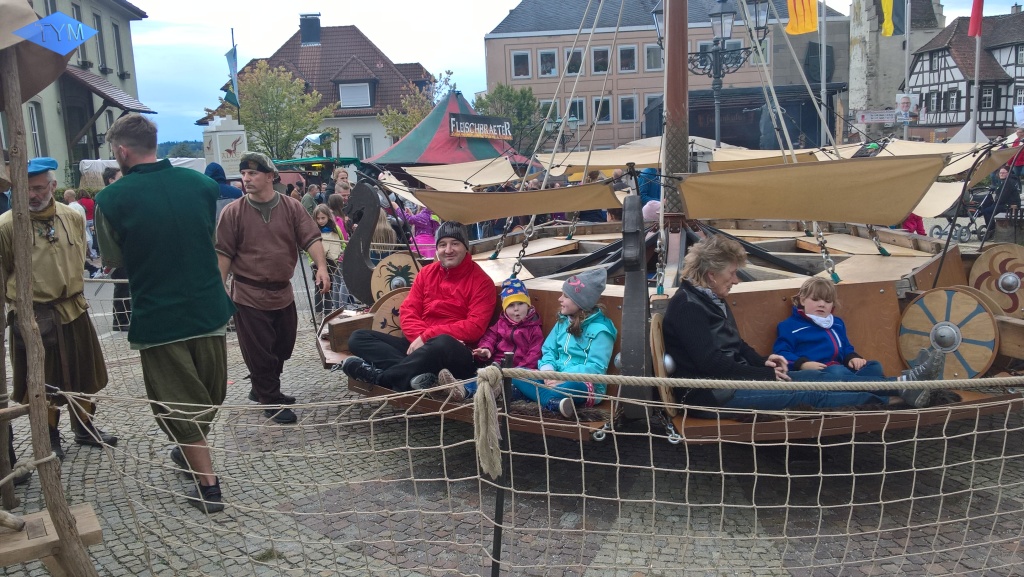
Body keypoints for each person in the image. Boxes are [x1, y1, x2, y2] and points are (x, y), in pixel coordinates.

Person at [96, 114, 235, 513]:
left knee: (179, 401)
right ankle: (200, 467)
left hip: (159, 317)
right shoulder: (203, 185)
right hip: (209, 309)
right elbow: (209, 237)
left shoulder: (110, 199)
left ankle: (206, 484)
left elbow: (112, 259)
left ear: (122, 151)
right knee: (207, 396)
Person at [662, 235, 944, 412]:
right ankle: (895, 400)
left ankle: (903, 382)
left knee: (825, 378)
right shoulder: (687, 307)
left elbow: (736, 346)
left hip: (733, 383)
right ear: (711, 275)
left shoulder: (710, 299)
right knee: (810, 393)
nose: (736, 280)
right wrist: (765, 377)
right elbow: (712, 365)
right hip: (712, 397)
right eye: (733, 273)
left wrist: (765, 362)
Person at [1, 157, 116, 465]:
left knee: (86, 374)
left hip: (74, 309)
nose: (34, 195)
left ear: (52, 186)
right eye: (27, 190)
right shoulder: (7, 226)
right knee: (42, 382)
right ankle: (50, 437)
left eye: (40, 188)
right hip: (34, 318)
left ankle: (85, 427)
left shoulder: (72, 217)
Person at [215, 151, 330, 424]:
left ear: (270, 176)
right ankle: (270, 399)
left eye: (253, 173)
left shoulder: (291, 207)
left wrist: (322, 268)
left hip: (282, 290)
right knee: (260, 351)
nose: (246, 179)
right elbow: (223, 254)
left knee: (283, 345)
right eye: (243, 174)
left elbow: (311, 238)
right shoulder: (233, 212)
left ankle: (261, 387)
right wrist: (219, 289)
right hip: (248, 294)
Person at [343, 221, 496, 391]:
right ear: (437, 249)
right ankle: (419, 375)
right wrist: (421, 339)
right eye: (442, 245)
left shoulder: (482, 282)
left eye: (455, 243)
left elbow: (474, 327)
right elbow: (408, 310)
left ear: (466, 247)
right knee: (358, 338)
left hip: (456, 352)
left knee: (443, 343)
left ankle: (383, 378)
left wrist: (426, 337)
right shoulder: (426, 273)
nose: (448, 250)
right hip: (419, 345)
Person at [773, 277, 937, 406]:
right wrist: (802, 364)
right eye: (815, 300)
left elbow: (845, 347)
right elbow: (781, 353)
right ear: (802, 300)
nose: (821, 304)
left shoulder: (837, 323)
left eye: (827, 301)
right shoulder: (789, 326)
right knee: (837, 373)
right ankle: (904, 384)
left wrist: (852, 357)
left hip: (842, 370)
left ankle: (907, 385)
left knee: (874, 366)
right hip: (818, 374)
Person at [508, 268, 617, 418]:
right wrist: (548, 371)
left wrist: (564, 377)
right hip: (554, 376)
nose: (560, 299)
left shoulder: (601, 330)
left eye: (565, 296)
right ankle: (552, 401)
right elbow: (549, 350)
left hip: (582, 383)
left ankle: (536, 395)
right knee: (517, 373)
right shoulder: (562, 322)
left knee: (570, 387)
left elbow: (596, 368)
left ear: (580, 301)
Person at [441, 277, 544, 402]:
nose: (516, 309)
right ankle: (461, 389)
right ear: (504, 309)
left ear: (528, 304)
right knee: (482, 378)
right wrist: (485, 349)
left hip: (519, 374)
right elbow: (490, 337)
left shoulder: (534, 329)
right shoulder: (501, 323)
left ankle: (480, 390)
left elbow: (534, 354)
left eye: (521, 304)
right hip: (497, 368)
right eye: (511, 305)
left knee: (511, 387)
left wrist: (518, 372)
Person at [101, 167, 131, 331]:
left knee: (126, 286)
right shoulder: (107, 199)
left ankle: (124, 318)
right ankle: (120, 321)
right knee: (122, 286)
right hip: (116, 251)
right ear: (111, 180)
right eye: (119, 177)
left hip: (123, 250)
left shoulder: (117, 197)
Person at [312, 205, 346, 313]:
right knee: (318, 285)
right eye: (318, 218)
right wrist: (311, 261)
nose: (321, 221)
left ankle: (327, 311)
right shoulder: (313, 230)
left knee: (329, 285)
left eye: (323, 218)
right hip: (316, 262)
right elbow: (308, 246)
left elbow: (342, 242)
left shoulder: (335, 229)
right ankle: (318, 311)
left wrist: (339, 253)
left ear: (328, 217)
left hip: (331, 261)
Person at [64, 189, 102, 278]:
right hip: (82, 233)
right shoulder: (79, 206)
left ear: (68, 196)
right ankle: (91, 269)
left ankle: (91, 269)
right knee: (77, 256)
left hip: (75, 235)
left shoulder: (69, 208)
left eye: (65, 195)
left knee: (75, 256)